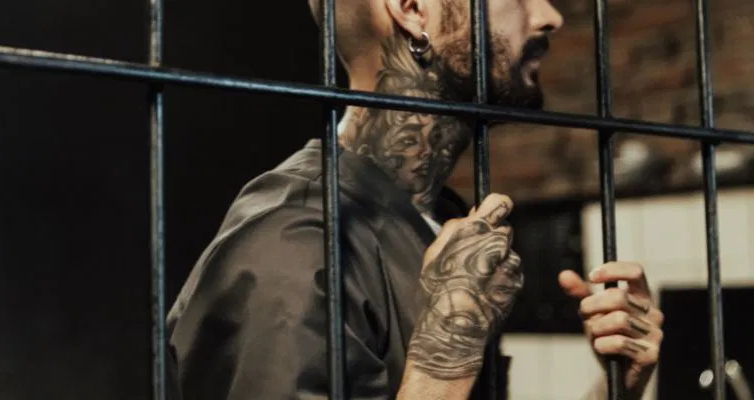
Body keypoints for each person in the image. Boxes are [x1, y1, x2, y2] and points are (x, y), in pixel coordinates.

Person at [166, 0, 665, 399]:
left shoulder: (443, 218)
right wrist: (444, 359)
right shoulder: (289, 246)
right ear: (412, 9)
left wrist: (617, 388)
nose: (550, 16)